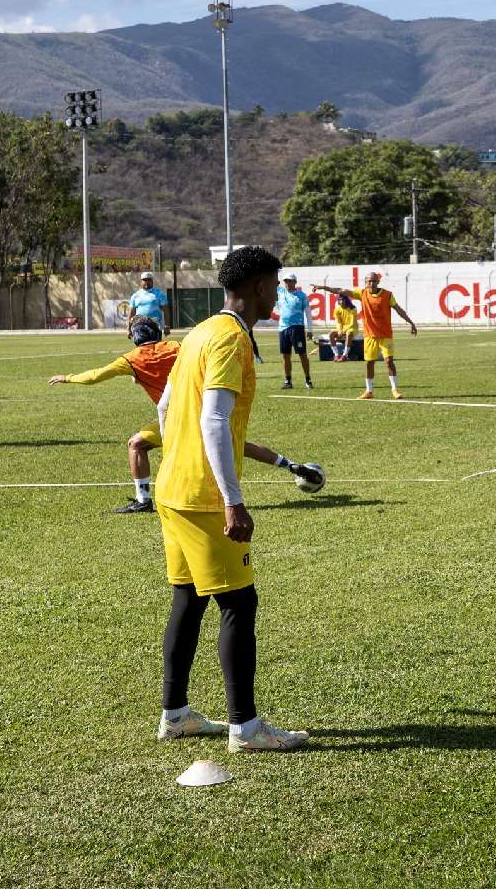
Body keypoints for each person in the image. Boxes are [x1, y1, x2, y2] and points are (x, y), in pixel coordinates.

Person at [152, 244, 308, 752]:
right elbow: (214, 419)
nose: (276, 297)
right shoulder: (230, 341)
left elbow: (167, 404)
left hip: (172, 488)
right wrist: (232, 499)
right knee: (240, 602)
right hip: (201, 498)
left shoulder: (201, 331)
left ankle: (175, 715)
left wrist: (178, 455)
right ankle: (246, 726)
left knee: (189, 598)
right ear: (260, 287)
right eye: (274, 286)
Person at [48, 314, 324, 514]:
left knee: (137, 444)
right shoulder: (177, 346)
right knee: (235, 445)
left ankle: (143, 499)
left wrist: (68, 377)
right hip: (206, 406)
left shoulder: (131, 359)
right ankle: (289, 465)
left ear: (135, 337)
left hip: (177, 418)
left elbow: (96, 375)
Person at [357, 270, 417, 400]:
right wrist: (324, 288)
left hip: (385, 335)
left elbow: (398, 309)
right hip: (369, 336)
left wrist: (411, 322)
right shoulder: (361, 293)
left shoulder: (387, 295)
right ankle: (369, 391)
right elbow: (340, 290)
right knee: (369, 363)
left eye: (373, 281)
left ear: (378, 281)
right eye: (369, 281)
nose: (371, 283)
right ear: (366, 283)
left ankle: (395, 390)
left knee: (389, 361)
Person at [274, 271, 313, 390]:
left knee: (302, 354)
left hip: (297, 328)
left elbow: (308, 313)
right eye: (285, 281)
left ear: (295, 282)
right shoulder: (280, 292)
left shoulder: (301, 295)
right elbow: (271, 282)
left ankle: (308, 380)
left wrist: (310, 329)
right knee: (285, 356)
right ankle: (288, 381)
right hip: (283, 328)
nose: (287, 283)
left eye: (290, 281)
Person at [129, 270, 171, 336]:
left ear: (152, 281)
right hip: (139, 326)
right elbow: (132, 313)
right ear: (141, 282)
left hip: (155, 326)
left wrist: (167, 326)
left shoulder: (160, 294)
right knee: (141, 346)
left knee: (156, 345)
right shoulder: (135, 295)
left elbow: (166, 311)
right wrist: (129, 328)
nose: (147, 282)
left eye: (149, 280)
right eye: (144, 280)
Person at [331, 290, 358, 362]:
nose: (341, 302)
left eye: (343, 300)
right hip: (342, 330)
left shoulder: (353, 309)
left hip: (351, 329)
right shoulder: (337, 309)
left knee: (349, 333)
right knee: (331, 334)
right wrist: (340, 330)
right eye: (339, 300)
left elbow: (351, 323)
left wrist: (343, 331)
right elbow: (338, 321)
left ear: (346, 300)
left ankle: (345, 355)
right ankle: (336, 355)